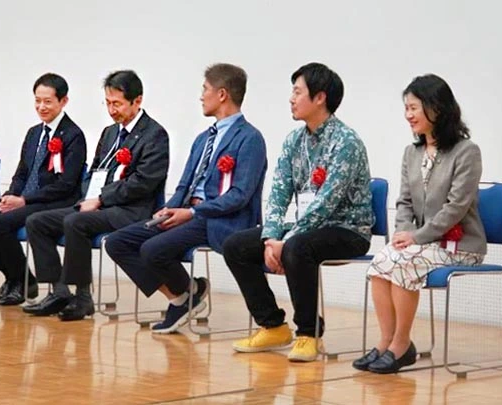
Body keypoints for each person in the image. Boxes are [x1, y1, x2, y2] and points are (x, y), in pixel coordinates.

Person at [223, 62, 374, 362]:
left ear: (319, 98)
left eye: (297, 92)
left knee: (297, 247)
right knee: (236, 246)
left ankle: (308, 333)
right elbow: (278, 193)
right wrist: (270, 238)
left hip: (347, 229)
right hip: (306, 229)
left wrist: (287, 239)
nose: (291, 99)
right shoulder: (294, 140)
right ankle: (272, 325)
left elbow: (326, 203)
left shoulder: (346, 142)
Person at [105, 63, 267, 334]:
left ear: (222, 94)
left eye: (205, 89)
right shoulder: (204, 138)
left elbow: (239, 196)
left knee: (152, 249)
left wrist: (193, 213)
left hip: (219, 219)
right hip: (188, 215)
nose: (201, 96)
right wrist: (169, 209)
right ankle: (184, 295)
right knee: (117, 242)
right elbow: (184, 186)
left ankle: (185, 297)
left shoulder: (250, 139)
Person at [353, 74, 485, 373]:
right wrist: (403, 233)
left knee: (403, 261)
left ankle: (401, 345)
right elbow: (404, 202)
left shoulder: (466, 152)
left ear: (436, 108)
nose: (408, 115)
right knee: (382, 260)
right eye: (406, 108)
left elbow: (456, 207)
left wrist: (416, 237)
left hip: (460, 246)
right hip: (423, 245)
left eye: (413, 108)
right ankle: (386, 342)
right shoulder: (411, 153)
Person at [23, 70, 170, 321]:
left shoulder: (154, 134)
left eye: (117, 104)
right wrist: (89, 196)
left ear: (137, 101)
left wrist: (101, 199)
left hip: (131, 209)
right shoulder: (110, 133)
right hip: (99, 204)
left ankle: (83, 297)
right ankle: (59, 291)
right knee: (37, 222)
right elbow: (94, 170)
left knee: (76, 222)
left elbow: (142, 183)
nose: (112, 110)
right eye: (108, 103)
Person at [0, 73, 87, 306]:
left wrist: (24, 200)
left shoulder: (73, 135)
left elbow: (66, 184)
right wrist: (11, 195)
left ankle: (21, 282)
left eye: (48, 101)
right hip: (25, 199)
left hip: (53, 201)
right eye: (37, 101)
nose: (41, 107)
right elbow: (22, 173)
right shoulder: (33, 133)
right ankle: (16, 276)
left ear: (63, 101)